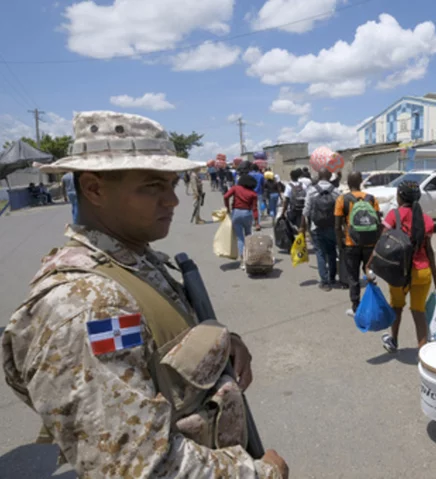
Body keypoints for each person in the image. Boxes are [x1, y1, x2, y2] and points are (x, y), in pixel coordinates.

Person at [1, 110, 287, 478]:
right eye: (153, 186)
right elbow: (135, 467)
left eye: (172, 184)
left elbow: (157, 344)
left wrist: (219, 344)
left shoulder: (132, 260)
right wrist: (262, 474)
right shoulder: (87, 305)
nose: (173, 200)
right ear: (94, 189)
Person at [371, 181, 436, 352]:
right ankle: (423, 350)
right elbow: (429, 250)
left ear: (400, 196)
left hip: (399, 274)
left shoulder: (394, 215)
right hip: (422, 272)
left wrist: (369, 266)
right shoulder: (426, 219)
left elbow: (381, 244)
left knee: (397, 307)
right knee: (418, 311)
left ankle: (394, 341)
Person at [335, 171, 381, 314]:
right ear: (361, 182)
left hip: (351, 244)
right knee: (370, 274)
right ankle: (374, 305)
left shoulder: (342, 199)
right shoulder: (371, 199)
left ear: (348, 183)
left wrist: (340, 244)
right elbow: (378, 222)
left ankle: (356, 307)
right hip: (370, 244)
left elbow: (337, 226)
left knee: (353, 277)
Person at [300, 168, 340, 291]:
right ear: (329, 177)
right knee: (332, 251)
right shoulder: (336, 191)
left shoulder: (312, 190)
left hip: (316, 227)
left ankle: (324, 281)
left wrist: (302, 227)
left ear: (319, 176)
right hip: (332, 226)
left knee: (320, 253)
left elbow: (306, 210)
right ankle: (332, 277)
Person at [224, 174, 260, 271]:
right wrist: (256, 222)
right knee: (248, 236)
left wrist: (227, 208)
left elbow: (226, 196)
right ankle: (250, 258)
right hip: (248, 214)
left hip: (236, 213)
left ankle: (243, 261)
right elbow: (255, 209)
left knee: (240, 238)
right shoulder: (253, 194)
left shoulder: (235, 188)